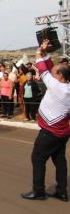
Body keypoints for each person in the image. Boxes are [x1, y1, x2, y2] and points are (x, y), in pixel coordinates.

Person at [21, 40, 70, 202]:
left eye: (55, 71)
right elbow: (49, 67)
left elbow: (42, 69)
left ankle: (39, 191)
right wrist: (46, 53)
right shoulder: (65, 85)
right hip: (62, 131)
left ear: (60, 76)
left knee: (37, 157)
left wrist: (39, 51)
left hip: (51, 131)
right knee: (59, 159)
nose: (52, 70)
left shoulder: (57, 87)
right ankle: (62, 191)